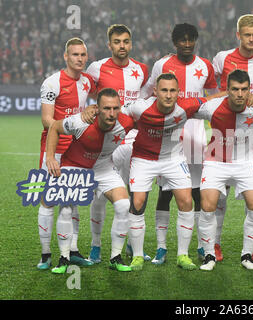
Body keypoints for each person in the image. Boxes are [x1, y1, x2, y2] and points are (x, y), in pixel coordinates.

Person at [121, 73, 220, 271]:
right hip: (143, 159)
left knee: (186, 201)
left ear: (178, 93)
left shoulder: (187, 106)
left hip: (174, 159)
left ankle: (182, 255)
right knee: (138, 202)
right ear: (155, 91)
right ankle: (138, 256)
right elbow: (117, 114)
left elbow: (211, 99)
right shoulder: (140, 107)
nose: (168, 95)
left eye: (172, 90)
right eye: (164, 90)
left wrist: (234, 95)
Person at [141, 23, 218, 265]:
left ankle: (198, 246)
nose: (186, 43)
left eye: (190, 39)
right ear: (175, 42)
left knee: (196, 192)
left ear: (195, 40)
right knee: (165, 193)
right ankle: (162, 248)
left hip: (196, 135)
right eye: (182, 40)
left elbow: (216, 97)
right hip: (168, 135)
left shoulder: (205, 65)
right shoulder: (162, 65)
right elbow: (147, 92)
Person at [45, 88, 135, 273]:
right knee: (66, 207)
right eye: (106, 108)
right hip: (75, 166)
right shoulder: (81, 121)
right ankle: (64, 258)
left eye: (115, 108)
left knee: (124, 205)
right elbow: (54, 127)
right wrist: (50, 158)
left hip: (104, 168)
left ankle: (115, 258)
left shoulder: (127, 122)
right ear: (97, 108)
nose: (111, 113)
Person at [195, 69, 253, 271]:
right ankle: (209, 254)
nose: (240, 94)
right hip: (215, 161)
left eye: (244, 90)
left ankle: (247, 255)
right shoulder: (211, 108)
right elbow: (184, 108)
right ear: (227, 90)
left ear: (250, 91)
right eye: (235, 89)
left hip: (245, 161)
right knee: (208, 205)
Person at [211, 14, 253, 262]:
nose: (251, 39)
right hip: (225, 128)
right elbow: (210, 86)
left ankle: (251, 246)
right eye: (247, 35)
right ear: (238, 35)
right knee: (220, 188)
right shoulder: (222, 58)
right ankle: (214, 245)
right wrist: (222, 102)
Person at [85, 24, 151, 263]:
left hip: (134, 139)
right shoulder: (96, 68)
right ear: (109, 44)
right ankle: (95, 245)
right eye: (116, 41)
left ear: (130, 43)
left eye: (125, 41)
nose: (121, 46)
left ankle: (133, 245)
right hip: (105, 142)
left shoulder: (142, 70)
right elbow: (87, 95)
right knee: (99, 196)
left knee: (134, 194)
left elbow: (144, 101)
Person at [37, 37, 96, 270]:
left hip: (75, 150)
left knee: (72, 201)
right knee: (49, 200)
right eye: (75, 55)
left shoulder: (87, 82)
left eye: (83, 55)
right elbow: (46, 120)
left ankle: (72, 250)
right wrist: (73, 125)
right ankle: (45, 254)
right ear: (66, 57)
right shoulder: (52, 83)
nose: (79, 59)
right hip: (53, 149)